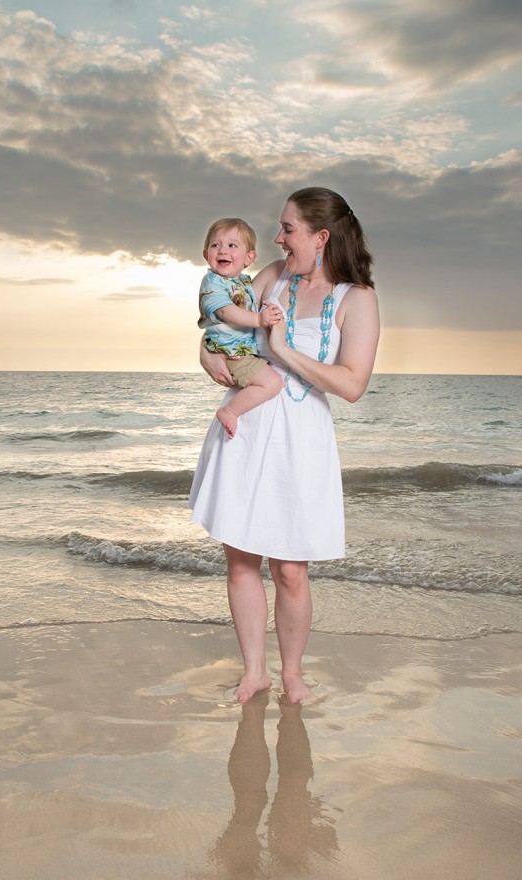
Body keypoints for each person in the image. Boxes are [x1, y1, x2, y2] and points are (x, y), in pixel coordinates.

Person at [188, 187, 380, 704]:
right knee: (241, 559)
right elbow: (220, 316)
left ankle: (292, 674)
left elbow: (352, 384)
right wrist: (202, 352)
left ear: (321, 237)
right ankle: (255, 673)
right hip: (245, 428)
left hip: (300, 436)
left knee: (292, 569)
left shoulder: (356, 299)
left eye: (288, 228)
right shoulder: (270, 276)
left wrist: (282, 350)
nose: (277, 237)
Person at [199, 217, 283, 438]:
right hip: (233, 354)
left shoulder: (243, 283)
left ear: (249, 258)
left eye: (231, 245)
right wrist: (259, 320)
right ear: (206, 254)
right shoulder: (213, 283)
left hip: (239, 351)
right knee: (272, 383)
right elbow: (226, 312)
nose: (222, 250)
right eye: (215, 245)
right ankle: (230, 411)